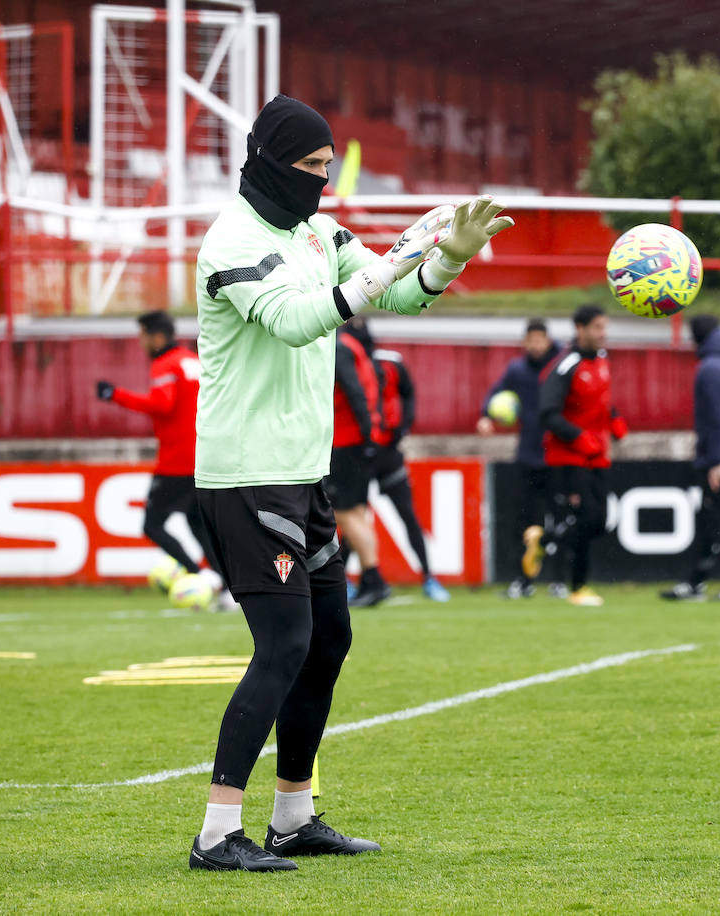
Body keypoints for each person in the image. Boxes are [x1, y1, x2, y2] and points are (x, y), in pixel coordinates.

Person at [188, 94, 512, 872]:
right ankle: (214, 834)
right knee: (286, 643)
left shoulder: (315, 229)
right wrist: (385, 269)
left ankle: (293, 818)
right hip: (245, 473)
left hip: (304, 471)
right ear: (269, 163)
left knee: (330, 637)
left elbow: (394, 291)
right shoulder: (231, 241)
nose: (321, 183)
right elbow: (301, 319)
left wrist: (446, 257)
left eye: (328, 169)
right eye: (309, 168)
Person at [96, 311, 223, 594]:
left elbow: (162, 404)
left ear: (157, 337)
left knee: (152, 525)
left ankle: (197, 574)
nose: (140, 343)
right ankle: (225, 587)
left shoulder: (164, 364)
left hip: (176, 462)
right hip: (202, 457)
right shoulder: (192, 360)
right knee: (197, 524)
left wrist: (115, 395)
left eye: (142, 336)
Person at [348, 315, 451, 602]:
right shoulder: (344, 359)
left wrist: (402, 428)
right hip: (358, 452)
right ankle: (346, 581)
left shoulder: (389, 361)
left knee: (405, 515)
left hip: (386, 452)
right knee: (350, 517)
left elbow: (408, 393)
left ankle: (429, 577)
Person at [530, 304, 626, 608]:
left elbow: (598, 403)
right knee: (588, 517)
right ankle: (578, 587)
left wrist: (614, 419)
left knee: (599, 522)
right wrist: (579, 438)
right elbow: (548, 414)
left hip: (598, 454)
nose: (602, 334)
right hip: (568, 456)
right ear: (580, 329)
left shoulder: (602, 360)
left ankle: (543, 542)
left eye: (604, 327)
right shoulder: (565, 365)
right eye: (597, 328)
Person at [660, 314, 720, 602]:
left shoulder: (710, 369)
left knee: (714, 517)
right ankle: (695, 582)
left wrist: (717, 460)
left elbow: (718, 418)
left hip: (719, 456)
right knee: (709, 516)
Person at [476, 319, 561, 597]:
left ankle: (561, 580)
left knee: (560, 519)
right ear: (526, 342)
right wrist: (487, 415)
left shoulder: (561, 365)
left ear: (548, 341)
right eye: (531, 340)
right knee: (523, 521)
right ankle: (523, 582)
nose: (536, 345)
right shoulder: (518, 370)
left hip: (559, 455)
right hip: (528, 455)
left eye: (541, 340)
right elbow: (494, 395)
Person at [326, 322, 390, 608]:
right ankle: (369, 580)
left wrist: (365, 435)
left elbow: (353, 391)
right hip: (360, 440)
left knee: (346, 513)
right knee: (356, 513)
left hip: (348, 441)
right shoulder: (355, 346)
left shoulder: (339, 346)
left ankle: (374, 579)